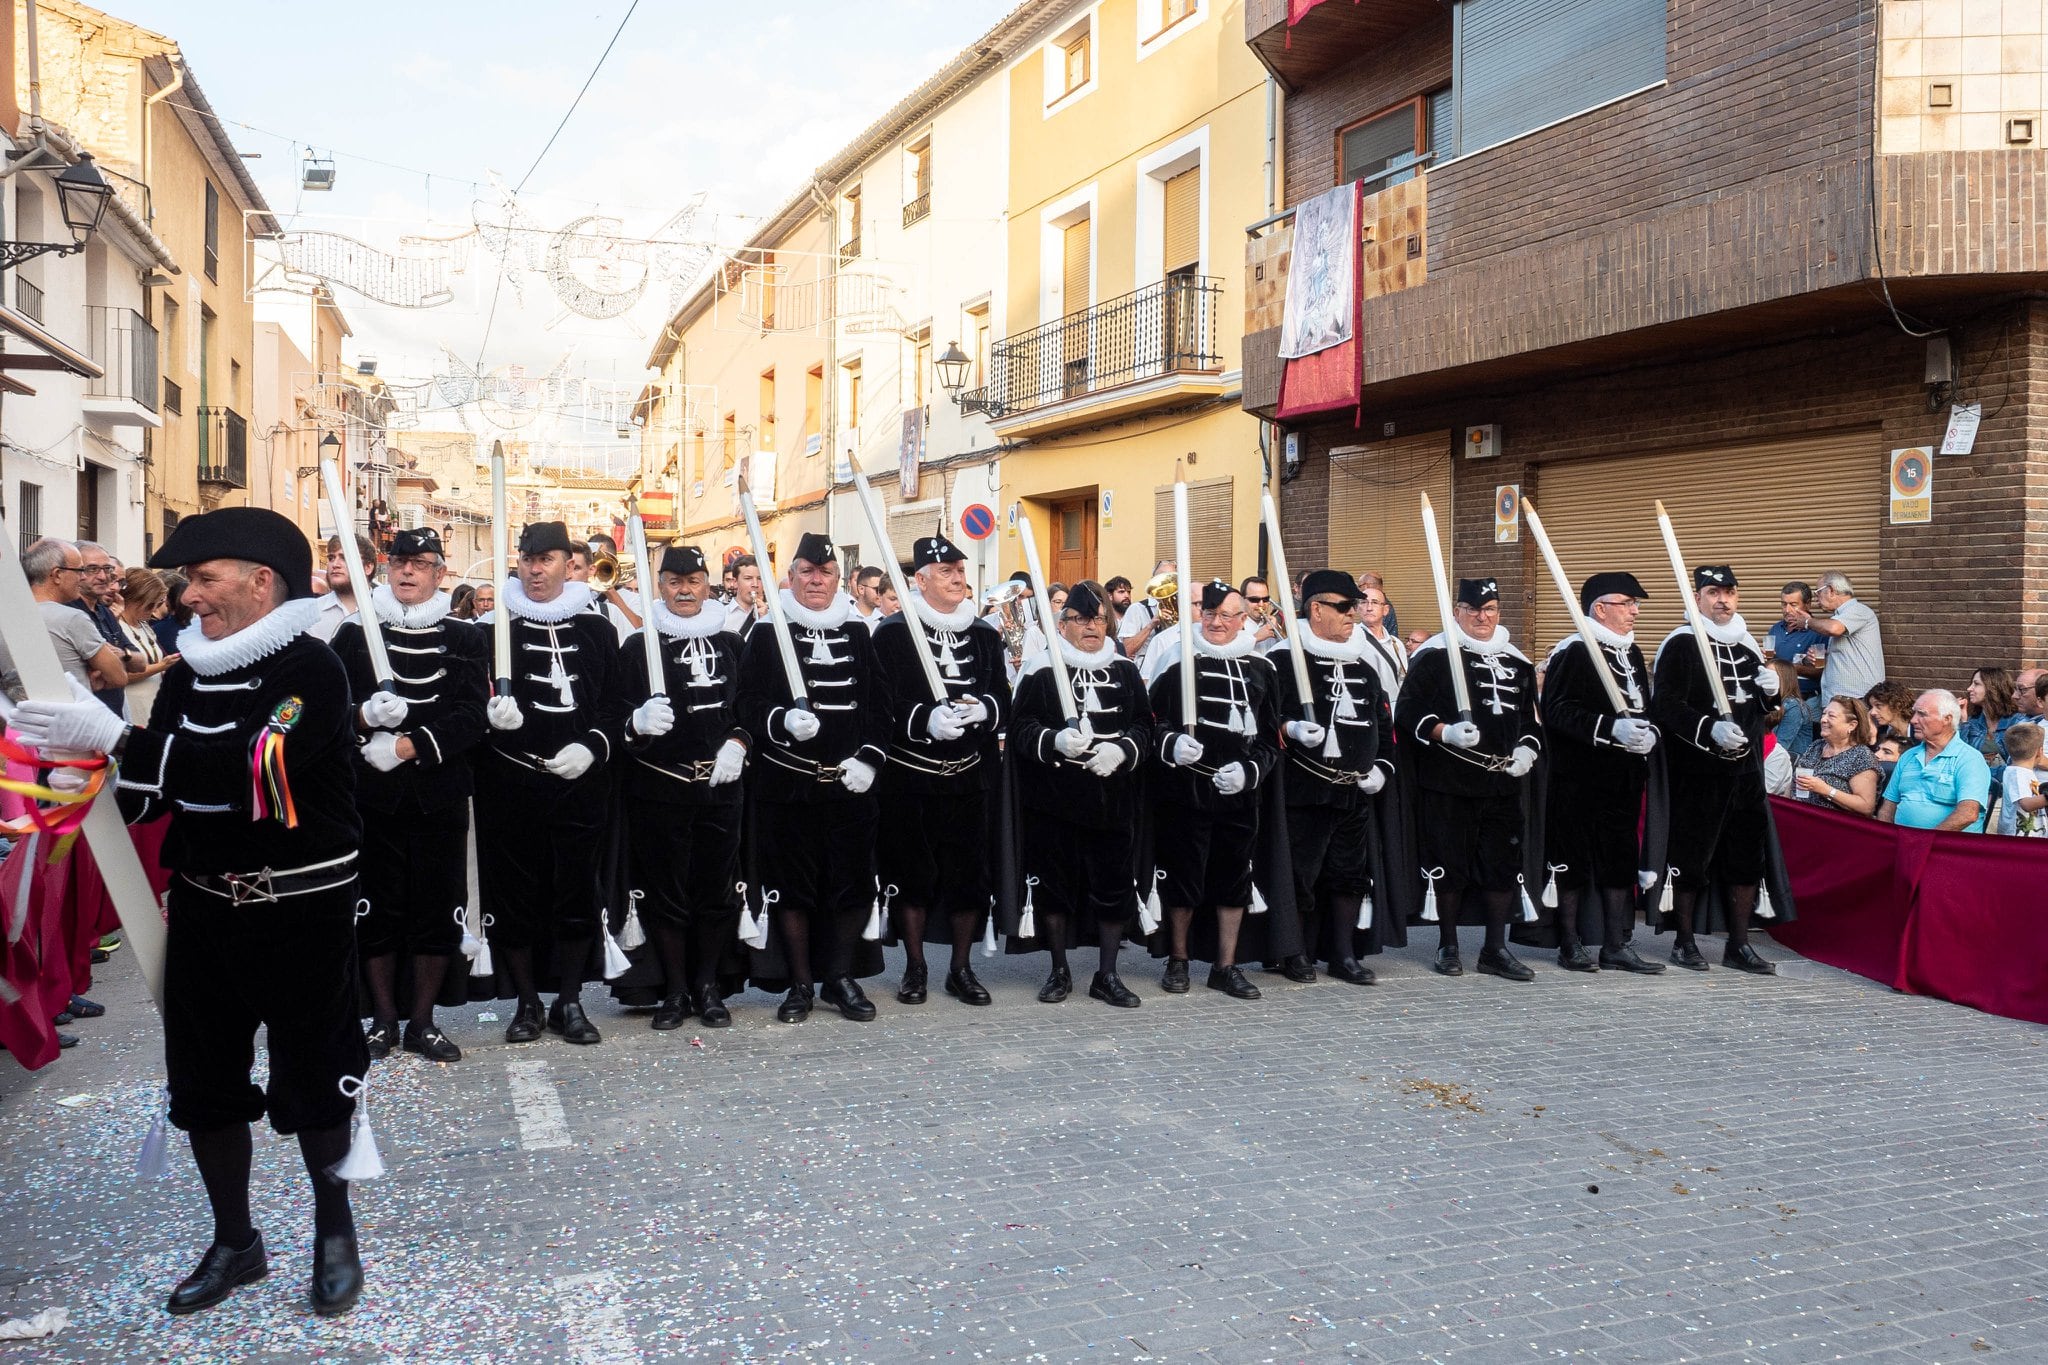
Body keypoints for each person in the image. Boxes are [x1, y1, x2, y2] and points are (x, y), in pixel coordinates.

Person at [14, 507, 370, 1316]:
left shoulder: (313, 669)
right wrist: (80, 780)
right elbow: (153, 798)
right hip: (207, 908)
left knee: (316, 1079)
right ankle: (236, 1239)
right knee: (204, 1082)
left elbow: (257, 773)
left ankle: (334, 1228)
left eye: (204, 579)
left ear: (260, 581)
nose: (188, 597)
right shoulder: (184, 673)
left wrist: (115, 738)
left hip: (302, 909)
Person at [330, 528, 488, 1064]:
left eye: (420, 563)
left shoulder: (465, 639)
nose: (407, 571)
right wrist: (361, 720)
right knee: (377, 908)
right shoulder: (354, 636)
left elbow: (473, 715)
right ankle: (382, 1019)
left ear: (440, 574)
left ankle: (423, 1021)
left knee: (436, 908)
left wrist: (409, 744)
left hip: (438, 793)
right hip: (372, 797)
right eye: (399, 561)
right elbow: (330, 712)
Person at [736, 532, 894, 1023]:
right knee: (792, 888)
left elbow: (879, 706)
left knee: (849, 886)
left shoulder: (857, 633)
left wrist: (869, 759)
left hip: (849, 786)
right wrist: (780, 720)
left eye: (825, 572)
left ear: (838, 579)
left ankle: (840, 978)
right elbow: (746, 703)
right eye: (807, 571)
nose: (816, 580)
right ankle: (799, 983)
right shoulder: (767, 632)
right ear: (791, 577)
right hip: (789, 786)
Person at [475, 521, 622, 1046]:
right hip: (513, 785)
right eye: (528, 559)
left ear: (568, 563)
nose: (535, 570)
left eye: (547, 560)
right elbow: (470, 703)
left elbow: (614, 706)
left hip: (579, 785)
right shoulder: (493, 630)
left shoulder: (598, 631)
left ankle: (570, 999)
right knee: (517, 896)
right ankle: (527, 1002)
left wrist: (592, 747)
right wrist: (491, 715)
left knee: (576, 893)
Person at [608, 544, 748, 1029]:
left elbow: (749, 707)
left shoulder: (731, 646)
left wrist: (739, 740)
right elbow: (615, 719)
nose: (684, 590)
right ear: (661, 586)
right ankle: (673, 989)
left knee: (716, 891)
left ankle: (708, 986)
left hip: (720, 789)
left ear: (709, 584)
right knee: (665, 893)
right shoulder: (637, 647)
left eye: (693, 581)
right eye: (673, 581)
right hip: (660, 791)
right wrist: (636, 723)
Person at [871, 534, 1009, 1006]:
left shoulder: (985, 634)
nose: (957, 578)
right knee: (913, 875)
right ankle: (914, 967)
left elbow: (1002, 698)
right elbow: (879, 706)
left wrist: (983, 710)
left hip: (969, 776)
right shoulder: (892, 633)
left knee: (969, 878)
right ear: (921, 579)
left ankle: (961, 969)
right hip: (911, 777)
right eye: (946, 571)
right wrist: (923, 720)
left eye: (959, 570)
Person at [1396, 577, 1548, 979]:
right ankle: (1448, 944)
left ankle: (1495, 948)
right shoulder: (1434, 656)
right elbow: (1407, 712)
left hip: (1501, 783)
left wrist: (1527, 749)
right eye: (1474, 610)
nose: (1483, 617)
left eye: (1491, 609)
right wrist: (1443, 731)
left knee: (1501, 865)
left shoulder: (1517, 662)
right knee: (1450, 865)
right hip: (1449, 782)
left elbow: (1530, 721)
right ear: (1458, 612)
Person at [1010, 582, 1153, 1007]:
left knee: (1113, 888)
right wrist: (1053, 740)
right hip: (1056, 800)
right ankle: (1058, 971)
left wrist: (1122, 749)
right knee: (1056, 887)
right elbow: (1020, 728)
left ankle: (1107, 975)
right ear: (1063, 624)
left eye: (1097, 618)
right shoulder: (1039, 668)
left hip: (1113, 799)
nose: (1090, 627)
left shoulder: (1124, 668)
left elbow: (1145, 724)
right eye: (1079, 619)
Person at [1145, 581, 1283, 1001]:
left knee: (1234, 878)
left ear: (1244, 619)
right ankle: (1179, 959)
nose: (1216, 622)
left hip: (1239, 794)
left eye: (1226, 615)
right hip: (1186, 789)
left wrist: (1251, 771)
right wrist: (1171, 744)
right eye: (1209, 613)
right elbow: (1151, 720)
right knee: (1184, 877)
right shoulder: (1177, 659)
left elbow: (1269, 741)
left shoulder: (1262, 669)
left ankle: (1226, 965)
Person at [1647, 565, 1780, 974]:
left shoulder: (1747, 645)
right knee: (1692, 855)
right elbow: (1666, 705)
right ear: (1698, 597)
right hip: (1698, 770)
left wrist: (1769, 696)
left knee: (1746, 856)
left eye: (1729, 592)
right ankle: (1684, 941)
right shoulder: (1682, 644)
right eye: (1713, 593)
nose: (1723, 600)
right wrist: (1708, 729)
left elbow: (1759, 709)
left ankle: (1738, 944)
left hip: (1745, 772)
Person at [1271, 570, 1393, 984]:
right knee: (1302, 873)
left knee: (1349, 875)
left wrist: (1381, 768)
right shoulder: (1283, 660)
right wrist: (1288, 728)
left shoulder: (1365, 665)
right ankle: (1296, 950)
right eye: (1343, 607)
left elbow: (1383, 724)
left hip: (1353, 791)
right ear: (1316, 609)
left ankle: (1342, 953)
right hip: (1303, 790)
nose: (1353, 615)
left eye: (1356, 607)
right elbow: (1263, 721)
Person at [1541, 572, 1663, 973]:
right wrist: (1608, 728)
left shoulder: (1630, 651)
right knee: (1573, 858)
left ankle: (1617, 943)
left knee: (1619, 858)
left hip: (1623, 774)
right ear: (1600, 608)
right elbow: (1555, 711)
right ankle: (1569, 942)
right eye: (1627, 603)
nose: (1635, 611)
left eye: (1635, 604)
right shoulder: (1575, 651)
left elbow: (1644, 708)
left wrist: (1648, 733)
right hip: (1578, 775)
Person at [25, 540, 129, 700]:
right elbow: (119, 677)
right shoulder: (72, 618)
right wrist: (87, 680)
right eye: (80, 570)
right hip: (73, 717)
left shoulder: (11, 616)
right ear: (57, 574)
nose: (82, 577)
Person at [1878, 689, 1991, 832]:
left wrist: (1925, 841)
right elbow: (1887, 809)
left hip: (1948, 850)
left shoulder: (1969, 759)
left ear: (1947, 719)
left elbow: (1968, 814)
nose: (1913, 720)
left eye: (1922, 714)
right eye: (1914, 713)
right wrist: (1887, 839)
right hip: (1905, 845)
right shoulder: (1908, 756)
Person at [1795, 572, 1885, 706]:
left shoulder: (1858, 610)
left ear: (1831, 590)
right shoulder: (1840, 616)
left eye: (1817, 593)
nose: (1816, 599)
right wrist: (1816, 658)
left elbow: (1833, 629)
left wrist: (1807, 622)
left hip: (1855, 698)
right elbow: (1845, 657)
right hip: (1839, 698)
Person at [1793, 697, 1883, 816]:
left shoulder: (1861, 756)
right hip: (1801, 816)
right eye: (1824, 714)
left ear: (1851, 725)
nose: (1823, 720)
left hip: (1836, 826)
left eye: (1831, 716)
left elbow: (1866, 806)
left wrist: (1826, 790)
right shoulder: (1816, 746)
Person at [116, 567, 179, 728]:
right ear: (134, 600)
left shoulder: (145, 625)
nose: (154, 610)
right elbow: (121, 675)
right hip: (133, 705)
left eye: (158, 604)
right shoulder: (117, 627)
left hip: (153, 703)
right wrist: (162, 666)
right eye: (150, 604)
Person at [308, 534, 377, 643]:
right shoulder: (310, 613)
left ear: (368, 567)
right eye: (331, 558)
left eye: (344, 558)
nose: (335, 564)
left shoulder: (385, 611)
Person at [1764, 582, 1825, 699]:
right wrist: (1770, 661)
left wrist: (1790, 668)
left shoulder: (1819, 632)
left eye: (1793, 604)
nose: (1787, 610)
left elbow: (1823, 673)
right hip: (1776, 696)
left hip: (1805, 699)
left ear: (1807, 605)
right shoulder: (1776, 629)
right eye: (1784, 604)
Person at [1353, 579, 1408, 703]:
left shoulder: (1396, 644)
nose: (1369, 607)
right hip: (1366, 707)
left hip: (1393, 709)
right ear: (1357, 608)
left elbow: (1402, 681)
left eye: (1375, 602)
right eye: (1364, 602)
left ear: (1386, 610)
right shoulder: (1351, 639)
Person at [1116, 561, 1173, 668]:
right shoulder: (1137, 609)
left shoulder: (1184, 609)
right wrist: (1151, 625)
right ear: (1153, 580)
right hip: (1147, 671)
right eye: (1163, 578)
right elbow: (1127, 650)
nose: (1168, 583)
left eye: (1171, 578)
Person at [1959, 667, 2018, 765]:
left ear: (1993, 687)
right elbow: (1962, 756)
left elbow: (2017, 765)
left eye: (1976, 684)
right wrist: (1963, 721)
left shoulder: (2016, 722)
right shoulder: (1973, 722)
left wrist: (1985, 768)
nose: (1969, 689)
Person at [1996, 722, 2046, 837]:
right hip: (2018, 837)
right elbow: (2026, 804)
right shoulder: (2017, 774)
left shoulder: (2019, 772)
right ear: (2040, 752)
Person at [1766, 660, 1814, 758]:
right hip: (1769, 757)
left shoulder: (1794, 706)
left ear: (1784, 679)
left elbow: (1781, 746)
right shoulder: (1764, 702)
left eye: (1771, 675)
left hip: (1788, 763)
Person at [722, 554, 767, 640]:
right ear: (735, 582)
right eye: (748, 578)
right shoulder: (721, 615)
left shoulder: (773, 616)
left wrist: (767, 621)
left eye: (759, 578)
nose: (755, 584)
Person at [1864, 679, 1916, 750]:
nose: (1872, 712)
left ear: (1897, 704)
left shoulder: (1919, 731)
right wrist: (1872, 738)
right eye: (1871, 707)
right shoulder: (1880, 733)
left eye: (1878, 705)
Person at [849, 565, 889, 631]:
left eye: (883, 590)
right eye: (877, 589)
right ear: (861, 589)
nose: (881, 594)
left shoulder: (885, 622)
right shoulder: (846, 618)